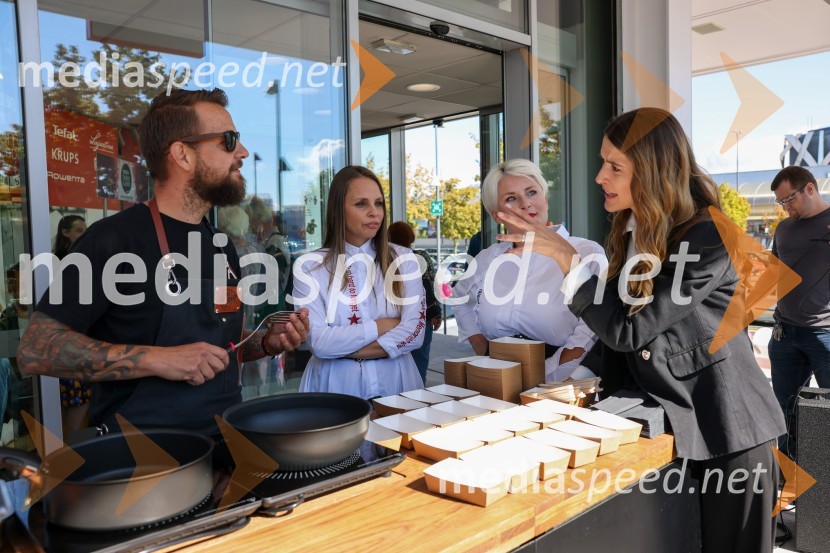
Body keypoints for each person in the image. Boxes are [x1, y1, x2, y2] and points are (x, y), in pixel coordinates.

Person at [497, 108, 785, 553]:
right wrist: (564, 385)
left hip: (729, 432)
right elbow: (615, 333)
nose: (599, 177)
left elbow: (632, 331)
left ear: (652, 170)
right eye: (602, 163)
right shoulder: (631, 229)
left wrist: (567, 260)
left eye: (614, 166)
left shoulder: (710, 235)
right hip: (675, 430)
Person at [17, 88, 309, 436]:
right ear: (182, 155)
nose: (242, 152)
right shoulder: (113, 240)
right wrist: (160, 358)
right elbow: (36, 347)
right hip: (143, 463)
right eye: (229, 140)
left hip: (224, 449)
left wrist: (264, 342)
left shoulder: (221, 247)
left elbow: (220, 344)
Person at [452, 159, 606, 381]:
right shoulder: (488, 259)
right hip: (498, 378)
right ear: (497, 214)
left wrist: (546, 376)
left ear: (545, 198)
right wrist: (481, 348)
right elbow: (460, 297)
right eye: (512, 198)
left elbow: (589, 332)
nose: (526, 204)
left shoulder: (587, 252)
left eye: (532, 192)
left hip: (565, 383)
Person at [293, 166, 425, 399]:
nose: (374, 212)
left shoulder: (405, 260)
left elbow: (415, 332)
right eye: (361, 204)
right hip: (335, 386)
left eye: (379, 203)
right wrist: (382, 326)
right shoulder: (310, 266)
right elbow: (319, 342)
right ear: (338, 210)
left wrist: (343, 348)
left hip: (397, 382)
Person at [768, 165, 830, 460]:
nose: (785, 208)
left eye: (788, 200)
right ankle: (790, 479)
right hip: (784, 334)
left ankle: (822, 493)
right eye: (780, 203)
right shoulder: (783, 229)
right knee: (784, 410)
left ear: (809, 189)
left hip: (825, 334)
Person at [388, 221, 442, 384]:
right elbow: (431, 285)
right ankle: (417, 397)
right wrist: (436, 312)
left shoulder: (385, 259)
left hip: (394, 319)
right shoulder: (420, 256)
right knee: (420, 358)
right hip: (421, 317)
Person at [52, 216, 91, 434]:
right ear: (65, 233)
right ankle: (72, 452)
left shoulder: (67, 260)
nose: (83, 235)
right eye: (79, 230)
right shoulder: (65, 262)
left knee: (72, 401)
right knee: (78, 399)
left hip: (69, 338)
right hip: (70, 338)